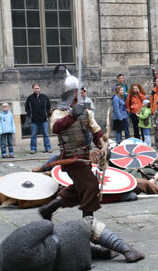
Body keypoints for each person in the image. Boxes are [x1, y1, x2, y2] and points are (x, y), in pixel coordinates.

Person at [38, 65, 105, 221]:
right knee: (91, 186)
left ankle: (49, 208)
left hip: (84, 156)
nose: (82, 92)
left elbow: (96, 132)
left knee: (78, 189)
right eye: (78, 90)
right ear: (72, 93)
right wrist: (73, 115)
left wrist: (104, 147)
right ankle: (88, 220)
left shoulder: (85, 111)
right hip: (71, 157)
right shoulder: (58, 112)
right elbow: (55, 127)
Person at [0, 217, 145, 270]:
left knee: (54, 247)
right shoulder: (10, 245)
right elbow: (45, 225)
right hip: (71, 243)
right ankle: (127, 250)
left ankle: (102, 252)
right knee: (89, 223)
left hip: (77, 264)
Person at [25, 83, 52, 154]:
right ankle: (33, 149)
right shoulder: (30, 98)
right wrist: (31, 115)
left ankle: (48, 148)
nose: (37, 89)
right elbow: (27, 108)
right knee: (33, 135)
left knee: (46, 134)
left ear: (40, 88)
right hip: (34, 120)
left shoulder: (44, 97)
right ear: (33, 89)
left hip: (44, 120)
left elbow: (48, 106)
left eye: (38, 88)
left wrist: (46, 114)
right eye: (35, 88)